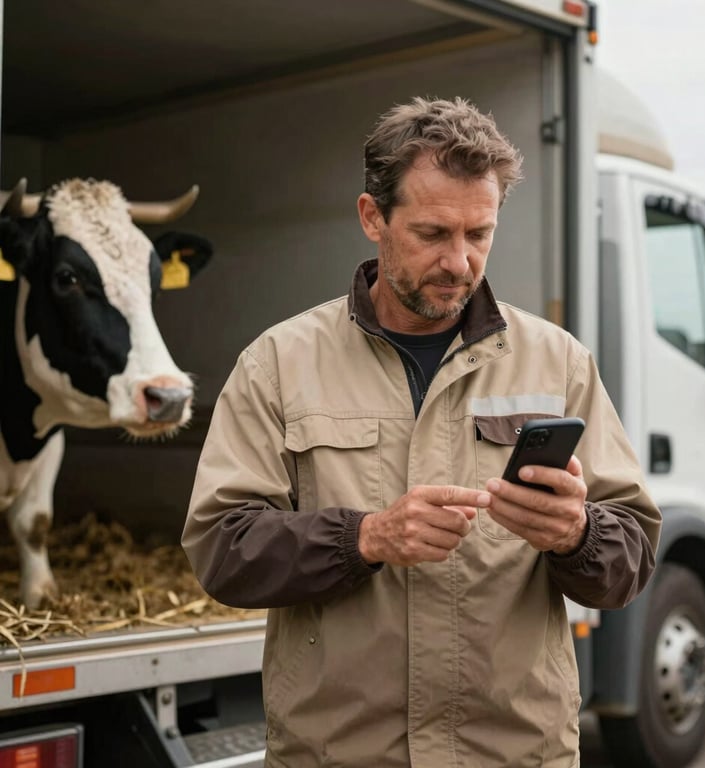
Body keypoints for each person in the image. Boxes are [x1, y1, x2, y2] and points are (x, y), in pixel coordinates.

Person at [182, 96, 661, 768]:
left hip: (515, 756)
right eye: (434, 234)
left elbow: (631, 555)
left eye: (480, 234)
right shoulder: (279, 364)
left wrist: (578, 535)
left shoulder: (559, 361)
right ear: (372, 218)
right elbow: (221, 550)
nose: (461, 262)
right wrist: (365, 538)